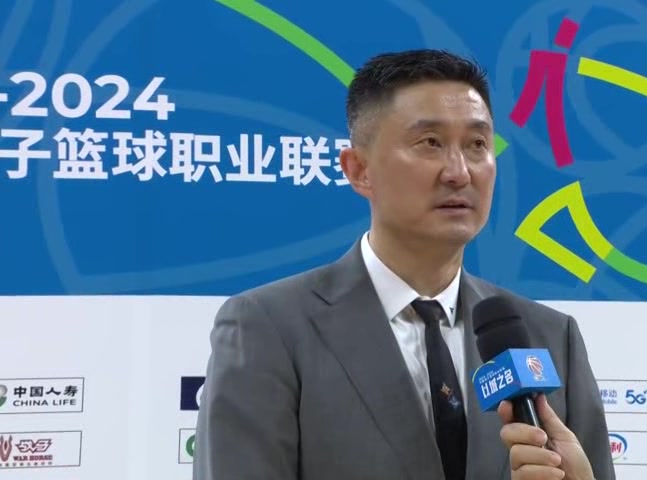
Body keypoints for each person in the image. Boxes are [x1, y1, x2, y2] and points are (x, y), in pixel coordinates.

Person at [192, 49, 615, 480]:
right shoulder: (269, 327)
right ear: (359, 170)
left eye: (477, 144)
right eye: (430, 143)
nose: (459, 172)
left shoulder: (549, 337)